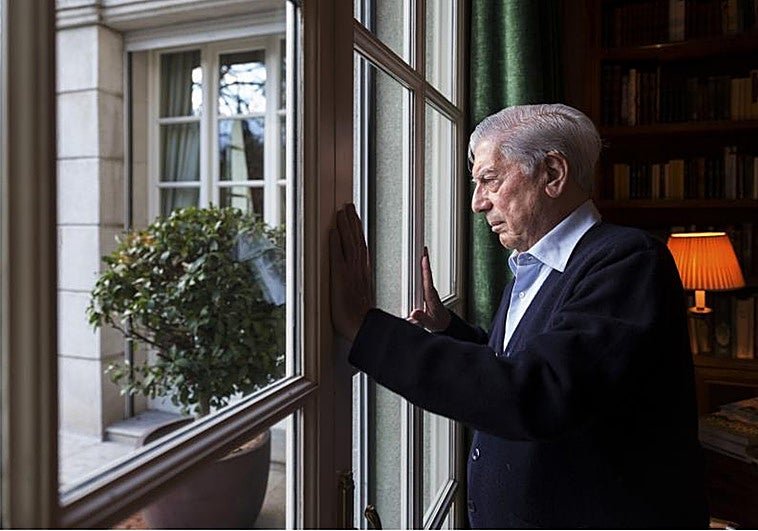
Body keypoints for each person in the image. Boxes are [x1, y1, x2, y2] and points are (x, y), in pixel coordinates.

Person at [330, 103, 709, 529]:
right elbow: (521, 364)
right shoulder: (538, 264)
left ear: (552, 173)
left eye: (489, 179)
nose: (477, 203)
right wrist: (447, 328)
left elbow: (538, 392)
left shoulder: (629, 261)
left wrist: (366, 329)